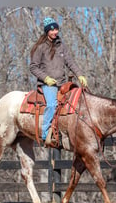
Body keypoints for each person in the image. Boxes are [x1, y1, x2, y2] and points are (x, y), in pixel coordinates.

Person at [30, 17, 88, 146]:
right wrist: (45, 78)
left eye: (56, 29)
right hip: (48, 84)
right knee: (52, 105)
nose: (55, 32)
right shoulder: (40, 48)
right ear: (47, 32)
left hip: (62, 83)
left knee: (77, 102)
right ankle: (45, 134)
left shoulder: (61, 45)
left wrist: (80, 75)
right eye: (52, 30)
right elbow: (33, 67)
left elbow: (70, 62)